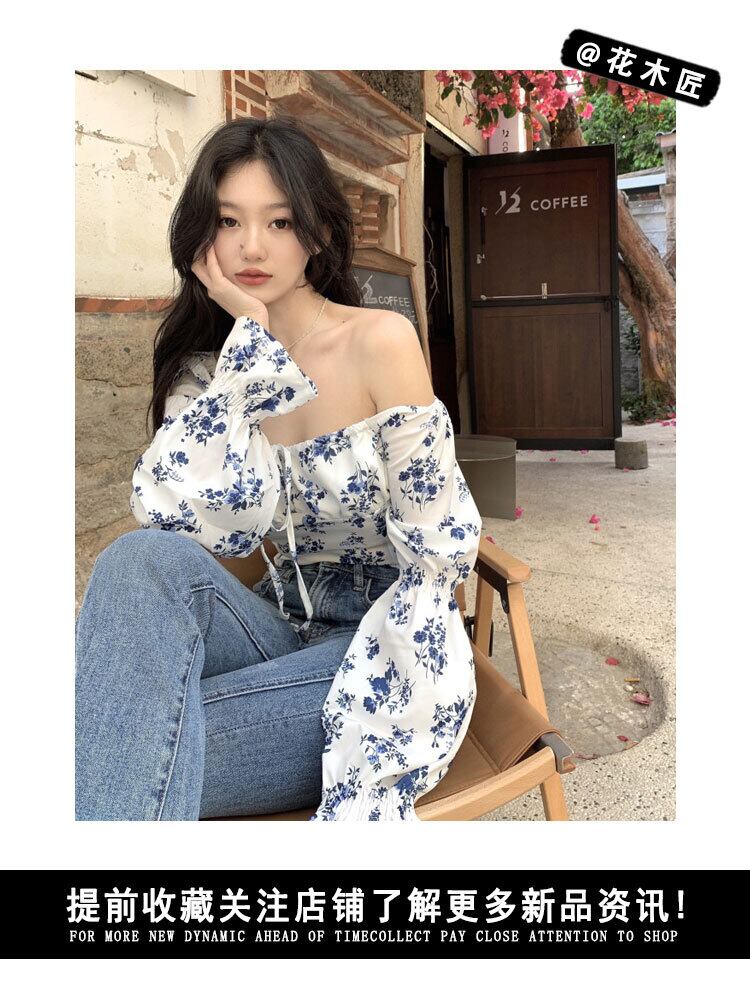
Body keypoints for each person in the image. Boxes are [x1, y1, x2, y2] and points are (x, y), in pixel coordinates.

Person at [75, 113, 483, 822]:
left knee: (107, 742)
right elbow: (196, 533)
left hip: (384, 642)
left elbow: (437, 546)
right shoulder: (210, 378)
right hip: (270, 626)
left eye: (280, 221)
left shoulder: (380, 342)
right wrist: (250, 355)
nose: (252, 246)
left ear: (316, 232)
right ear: (202, 238)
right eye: (228, 221)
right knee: (136, 563)